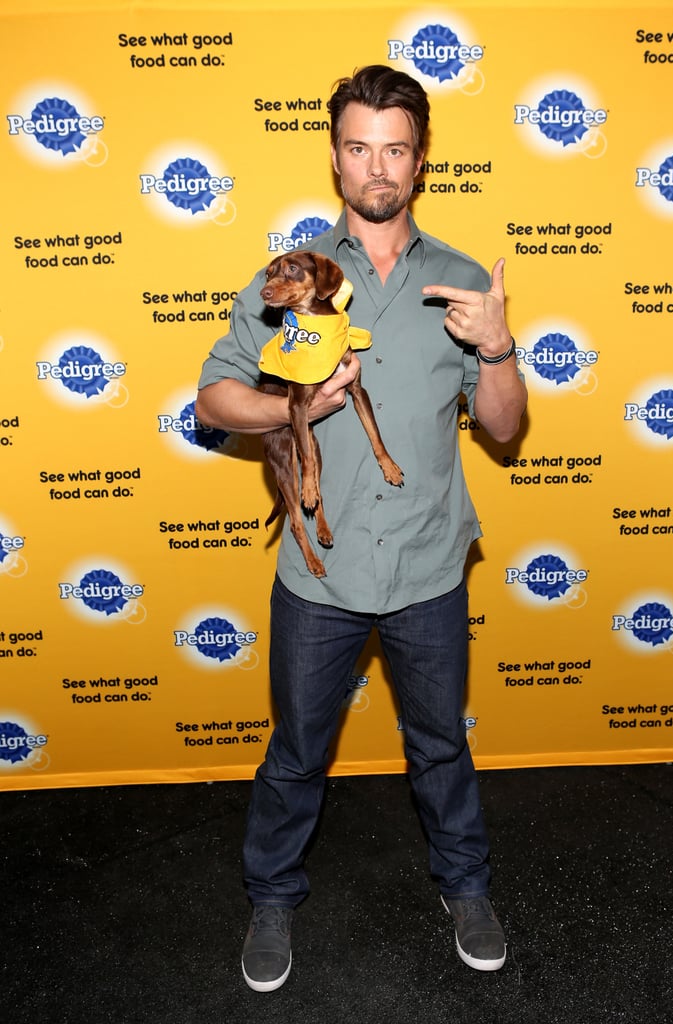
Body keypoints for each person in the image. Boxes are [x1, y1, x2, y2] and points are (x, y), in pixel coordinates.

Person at [195, 64, 528, 993]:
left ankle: (466, 889)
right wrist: (291, 404)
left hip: (427, 566)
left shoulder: (462, 281)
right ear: (336, 160)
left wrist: (497, 346)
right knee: (298, 751)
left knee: (441, 747)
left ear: (418, 163)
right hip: (321, 578)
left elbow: (502, 427)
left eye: (395, 148)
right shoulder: (293, 276)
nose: (376, 166)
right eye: (357, 147)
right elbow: (212, 396)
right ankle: (271, 898)